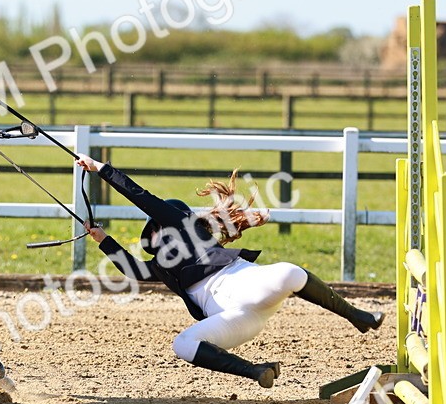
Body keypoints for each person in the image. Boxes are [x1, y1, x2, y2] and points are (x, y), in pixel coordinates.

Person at [74, 153, 384, 388]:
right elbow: (134, 271)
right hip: (234, 317)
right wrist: (103, 239)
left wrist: (101, 169)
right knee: (182, 344)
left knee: (289, 273)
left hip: (243, 283)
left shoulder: (183, 225)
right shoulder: (159, 266)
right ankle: (256, 370)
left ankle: (356, 315)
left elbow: (141, 197)